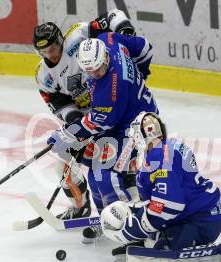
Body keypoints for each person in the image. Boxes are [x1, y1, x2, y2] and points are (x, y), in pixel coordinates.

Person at [47, 34, 157, 243]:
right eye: (89, 71)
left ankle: (130, 230)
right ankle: (110, 221)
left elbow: (99, 123)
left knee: (106, 173)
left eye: (98, 68)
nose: (95, 74)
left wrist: (66, 134)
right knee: (95, 176)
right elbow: (145, 47)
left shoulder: (113, 87)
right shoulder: (108, 39)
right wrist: (142, 74)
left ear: (106, 57)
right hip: (124, 117)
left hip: (138, 125)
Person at [32, 9, 138, 221]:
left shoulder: (77, 36)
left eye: (53, 48)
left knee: (119, 164)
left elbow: (111, 16)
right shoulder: (44, 76)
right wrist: (74, 120)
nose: (51, 54)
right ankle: (80, 206)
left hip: (114, 106)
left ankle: (133, 210)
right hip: (87, 119)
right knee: (63, 163)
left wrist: (123, 28)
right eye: (45, 52)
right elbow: (57, 103)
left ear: (61, 40)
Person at [100, 112, 221, 262]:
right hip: (193, 216)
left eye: (134, 138)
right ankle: (151, 241)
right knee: (149, 235)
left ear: (140, 136)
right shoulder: (167, 147)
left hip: (197, 223)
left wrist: (138, 226)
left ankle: (165, 244)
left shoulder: (159, 156)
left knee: (161, 250)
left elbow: (170, 205)